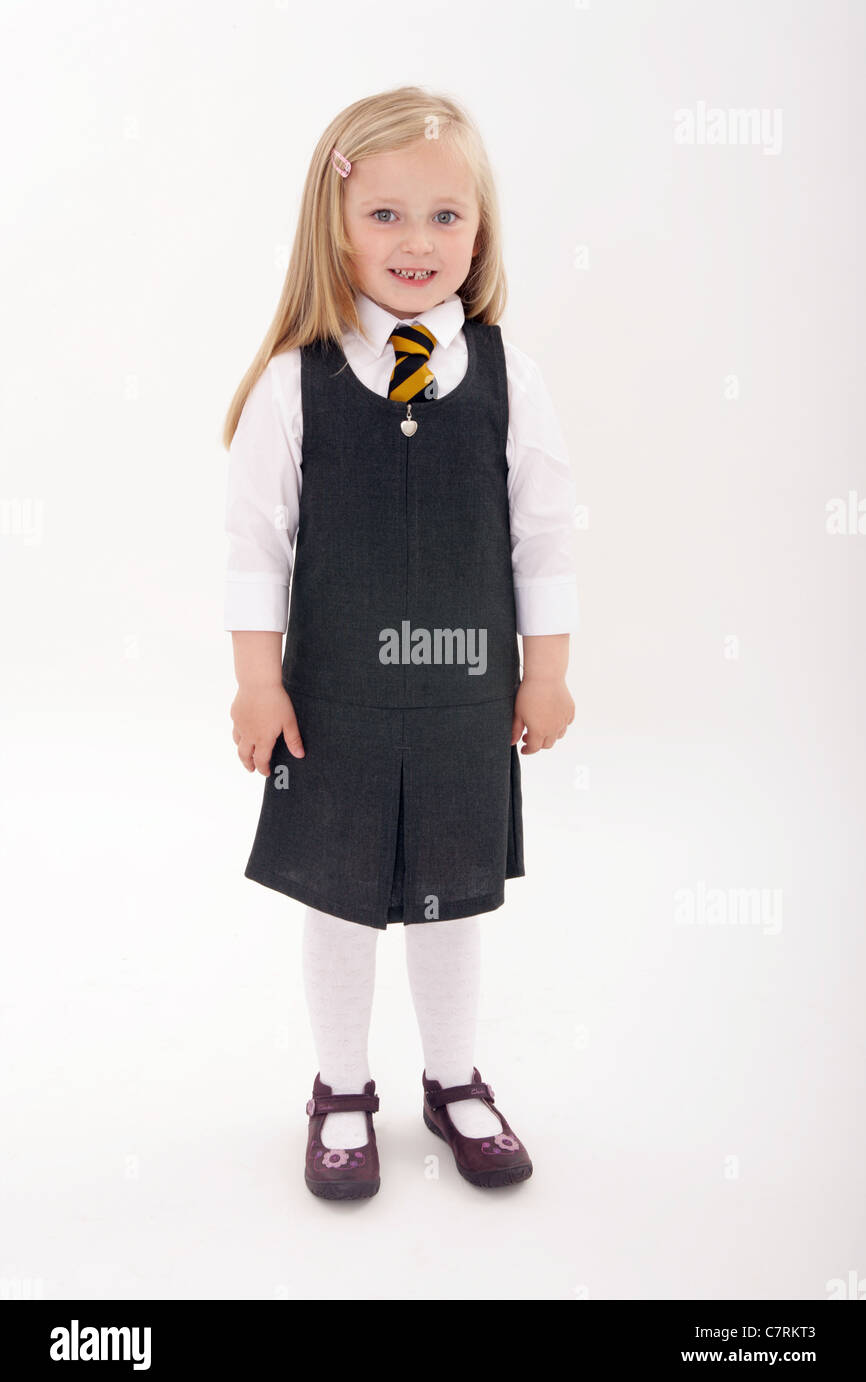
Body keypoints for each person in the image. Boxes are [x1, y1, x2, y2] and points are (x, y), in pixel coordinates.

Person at [222, 86, 578, 1200]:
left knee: (451, 895)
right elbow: (254, 540)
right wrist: (255, 682)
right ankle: (338, 1086)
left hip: (467, 705)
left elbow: (545, 525)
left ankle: (453, 1076)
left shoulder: (507, 378)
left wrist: (548, 668)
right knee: (340, 897)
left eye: (443, 216)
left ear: (480, 230)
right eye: (383, 216)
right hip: (334, 707)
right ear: (334, 226)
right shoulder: (296, 383)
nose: (416, 243)